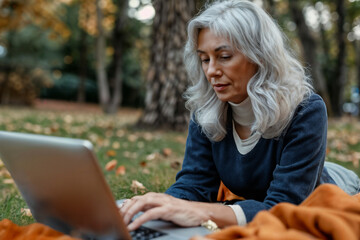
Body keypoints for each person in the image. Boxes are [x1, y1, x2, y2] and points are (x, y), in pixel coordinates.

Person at [121, 0, 360, 231]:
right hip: (269, 188)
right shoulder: (206, 110)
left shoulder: (306, 109)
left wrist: (203, 212)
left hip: (333, 184)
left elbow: (284, 207)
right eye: (204, 59)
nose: (211, 71)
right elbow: (195, 183)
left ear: (260, 56)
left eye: (224, 57)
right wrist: (158, 207)